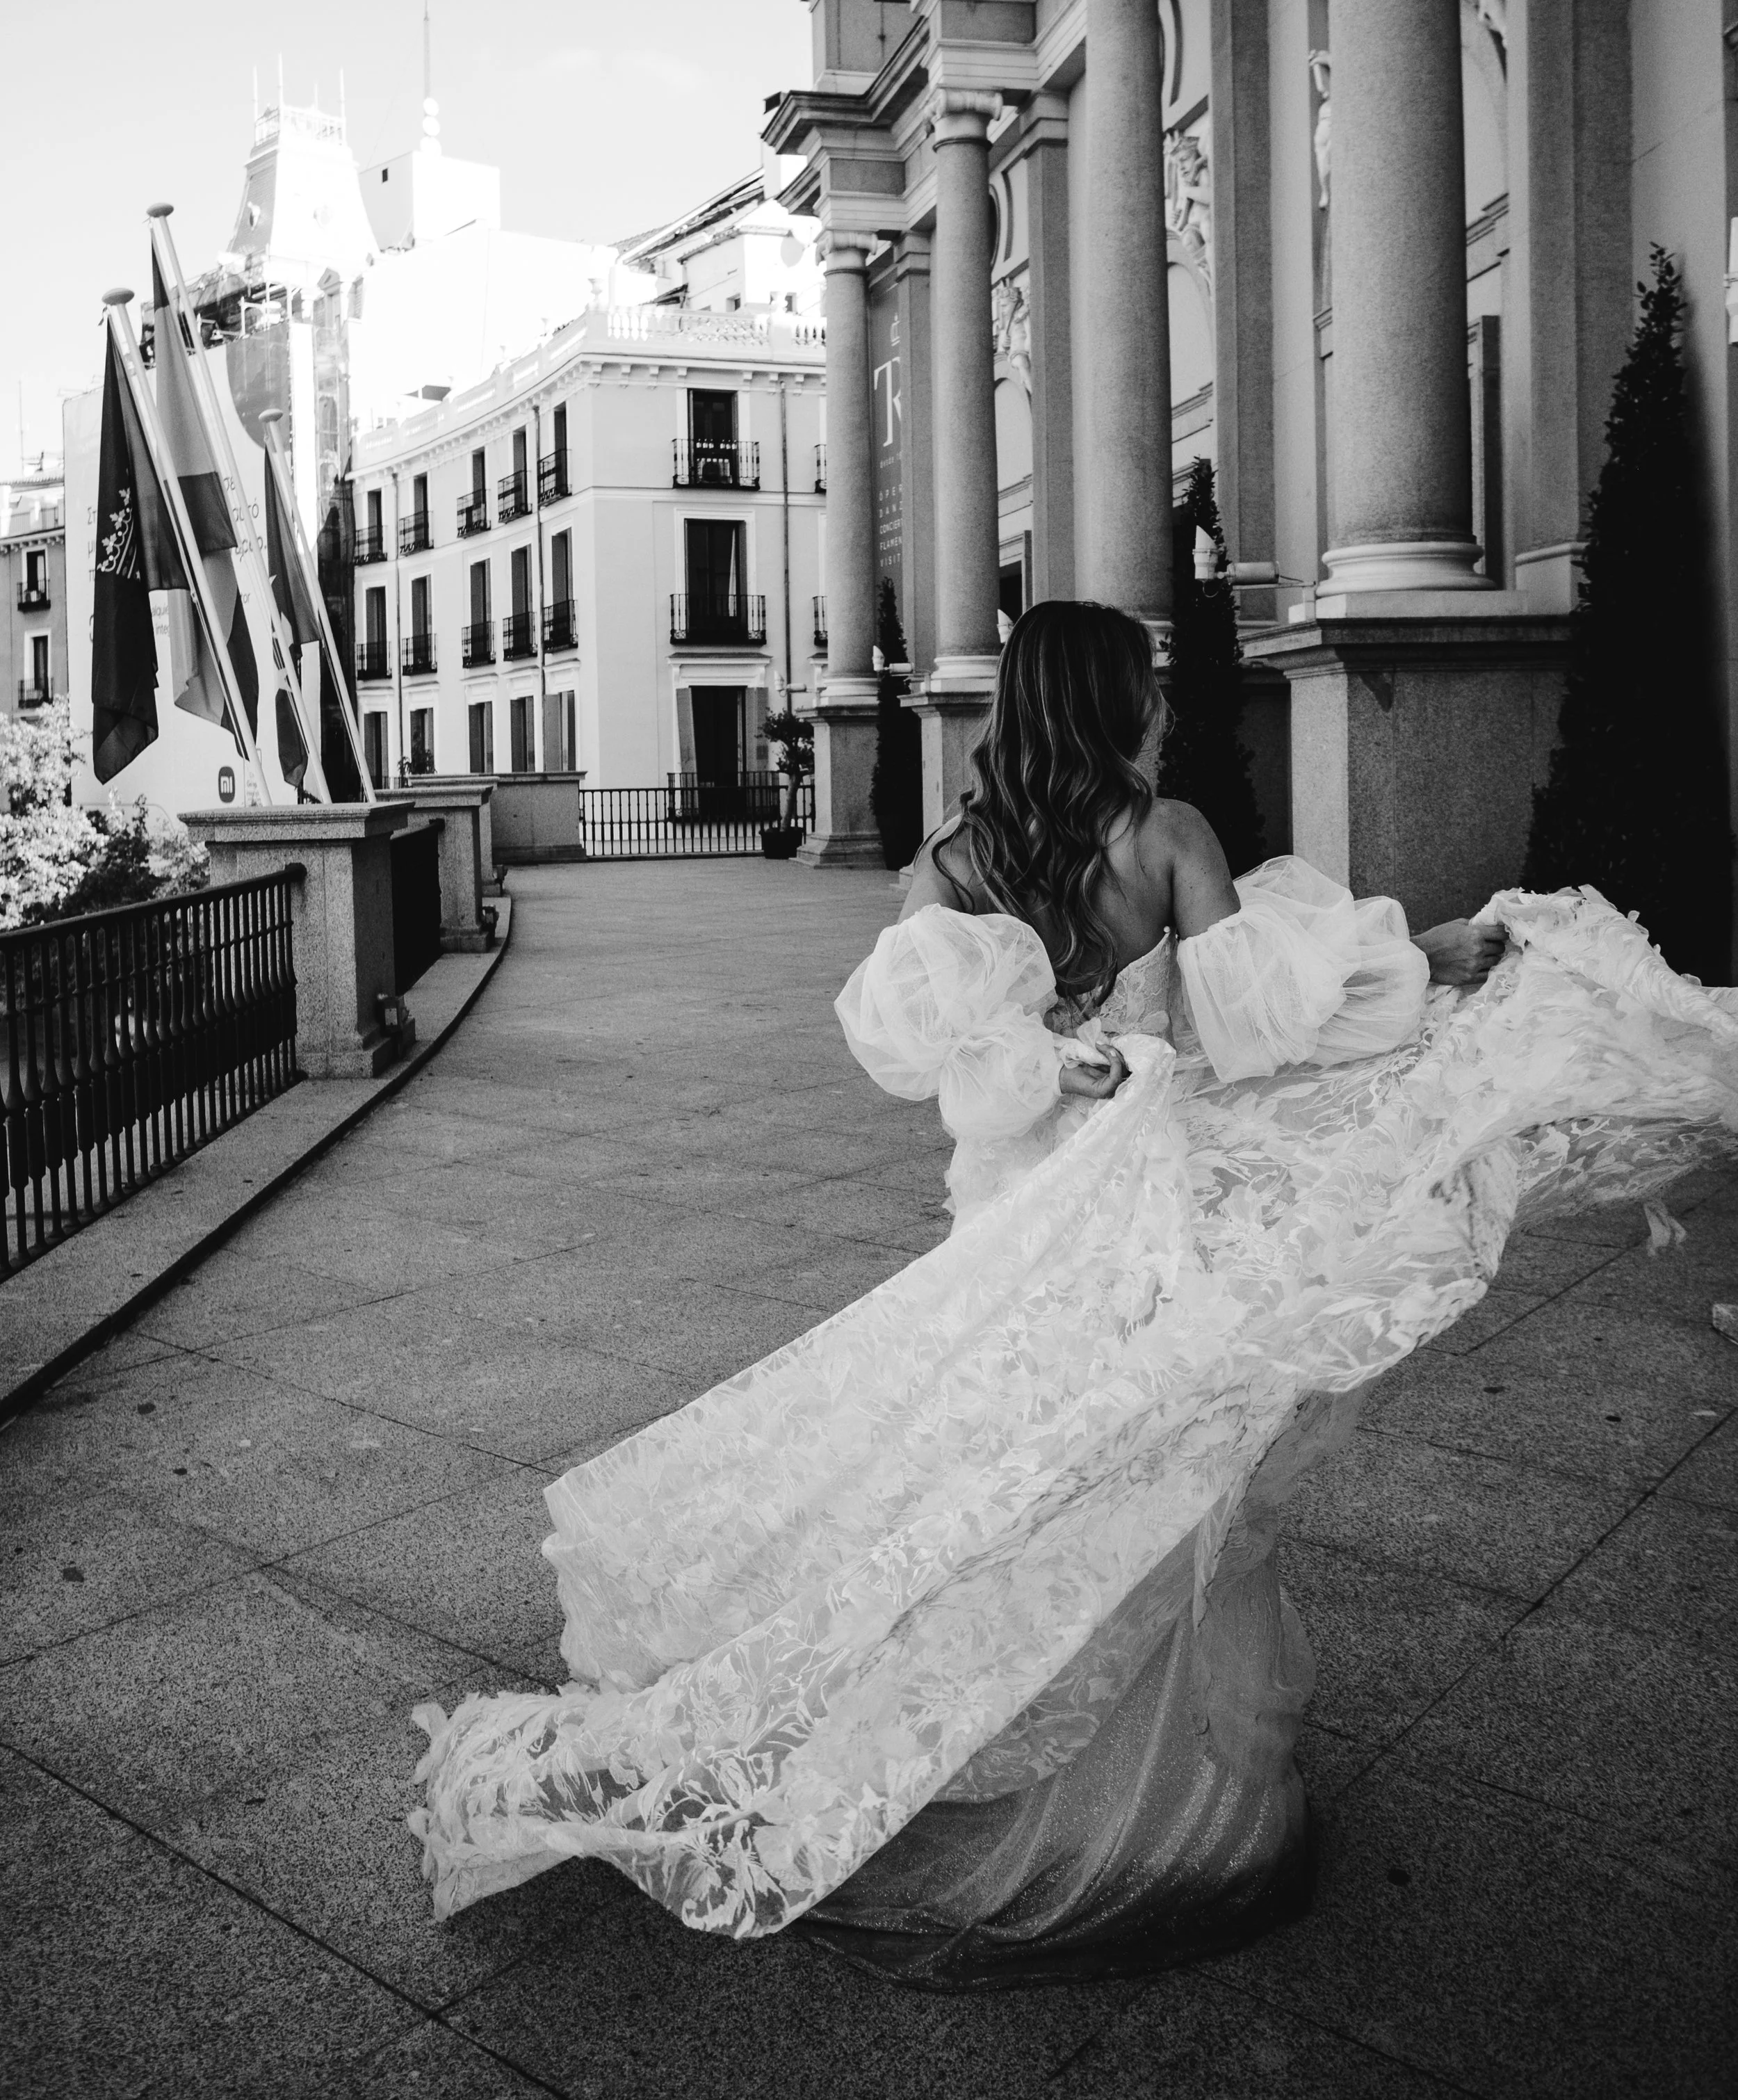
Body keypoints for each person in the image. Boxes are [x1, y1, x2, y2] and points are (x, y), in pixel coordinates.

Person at [411, 601, 1737, 1987]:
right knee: (1150, 1467)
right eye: (1146, 688)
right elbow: (1250, 1033)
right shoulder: (1164, 839)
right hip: (1145, 1215)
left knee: (1000, 1463)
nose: (1160, 708)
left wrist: (1048, 1051)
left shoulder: (946, 863)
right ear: (1110, 704)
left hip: (1009, 1215)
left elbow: (920, 1052)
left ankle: (966, 1725)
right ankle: (1157, 1819)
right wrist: (1425, 966)